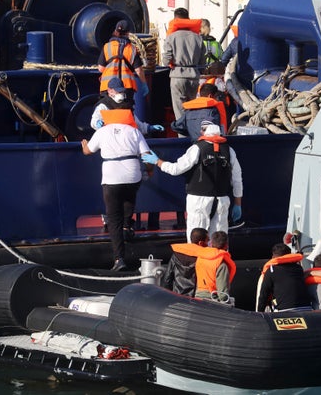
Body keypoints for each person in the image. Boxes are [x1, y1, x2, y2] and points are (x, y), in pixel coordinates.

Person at [141, 123, 243, 241]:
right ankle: (219, 259)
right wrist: (238, 203)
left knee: (196, 239)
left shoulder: (197, 149)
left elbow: (176, 169)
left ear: (204, 132)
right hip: (222, 200)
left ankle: (196, 259)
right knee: (219, 241)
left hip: (198, 201)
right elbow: (237, 178)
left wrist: (157, 161)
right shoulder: (229, 151)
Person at [81, 106, 152, 271]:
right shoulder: (134, 131)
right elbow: (147, 155)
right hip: (133, 175)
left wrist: (84, 144)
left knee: (113, 219)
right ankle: (128, 226)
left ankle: (119, 258)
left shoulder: (102, 131)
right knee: (129, 196)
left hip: (112, 177)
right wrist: (150, 170)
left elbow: (88, 151)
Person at [162, 8, 206, 127]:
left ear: (176, 19)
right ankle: (192, 137)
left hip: (177, 75)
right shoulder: (198, 38)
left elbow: (165, 60)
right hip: (193, 76)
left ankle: (182, 140)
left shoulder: (172, 37)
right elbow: (203, 61)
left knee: (179, 113)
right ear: (188, 19)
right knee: (191, 109)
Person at [91, 77, 164, 136]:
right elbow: (94, 120)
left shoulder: (126, 105)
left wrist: (149, 128)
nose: (121, 94)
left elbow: (136, 123)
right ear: (110, 91)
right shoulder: (103, 106)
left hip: (125, 139)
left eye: (122, 91)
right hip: (109, 138)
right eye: (118, 92)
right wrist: (97, 122)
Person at [98, 20, 147, 100]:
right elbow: (139, 70)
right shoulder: (132, 49)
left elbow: (101, 68)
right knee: (125, 110)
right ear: (128, 33)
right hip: (126, 88)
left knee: (108, 110)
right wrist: (144, 84)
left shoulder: (107, 47)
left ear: (115, 31)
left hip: (107, 87)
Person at [256, 243, 312, 312]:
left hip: (285, 311)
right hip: (307, 309)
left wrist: (259, 313)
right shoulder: (298, 268)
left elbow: (263, 296)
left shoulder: (271, 270)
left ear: (274, 256)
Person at [162, 227, 210, 297]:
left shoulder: (176, 255)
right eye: (207, 240)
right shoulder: (203, 258)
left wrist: (168, 297)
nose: (208, 244)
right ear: (201, 243)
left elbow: (167, 278)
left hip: (177, 295)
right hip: (195, 298)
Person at [194, 231, 236, 302]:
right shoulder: (221, 265)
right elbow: (223, 295)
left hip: (198, 297)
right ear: (226, 245)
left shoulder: (200, 258)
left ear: (211, 243)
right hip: (212, 300)